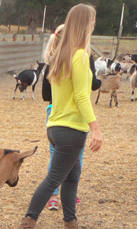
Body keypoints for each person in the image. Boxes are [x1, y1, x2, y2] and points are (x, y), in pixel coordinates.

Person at [13, 3, 102, 229]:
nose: (94, 25)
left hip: (55, 126)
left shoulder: (59, 56)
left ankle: (71, 228)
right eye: (93, 21)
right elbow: (83, 96)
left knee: (71, 178)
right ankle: (26, 226)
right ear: (86, 25)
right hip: (71, 129)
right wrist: (95, 127)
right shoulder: (81, 56)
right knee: (53, 179)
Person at [40, 24, 101, 211]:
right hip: (72, 119)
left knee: (54, 157)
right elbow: (89, 87)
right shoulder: (82, 56)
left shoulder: (53, 60)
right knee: (76, 158)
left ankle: (55, 200)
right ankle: (67, 199)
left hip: (53, 115)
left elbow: (44, 94)